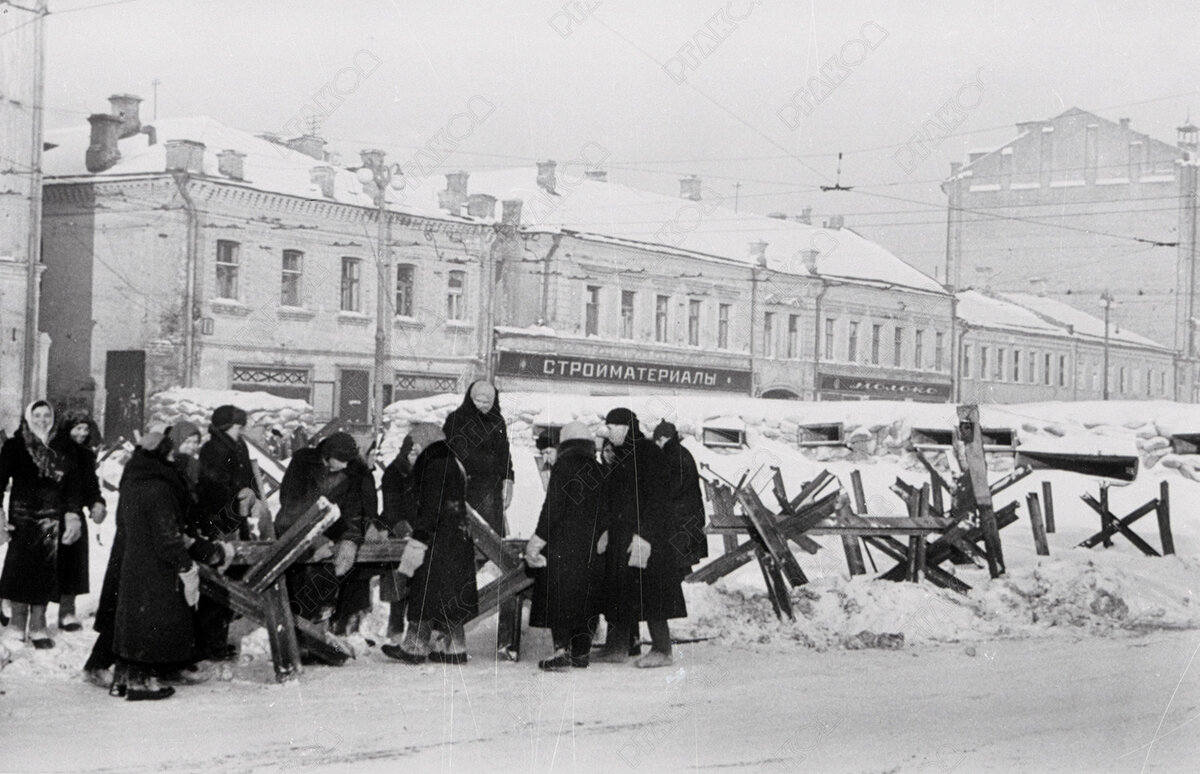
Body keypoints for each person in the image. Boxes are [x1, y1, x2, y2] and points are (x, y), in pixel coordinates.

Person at [110, 423, 228, 701]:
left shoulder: (133, 481)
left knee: (133, 620)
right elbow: (168, 537)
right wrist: (185, 566)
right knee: (149, 620)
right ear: (162, 456)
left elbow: (124, 524)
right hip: (157, 567)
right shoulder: (159, 488)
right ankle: (141, 684)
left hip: (134, 561)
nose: (174, 460)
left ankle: (123, 679)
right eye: (171, 455)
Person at [593, 408, 687, 668]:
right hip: (621, 533)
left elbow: (658, 499)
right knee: (620, 590)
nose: (609, 432)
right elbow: (616, 496)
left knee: (652, 592)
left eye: (612, 427)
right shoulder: (622, 454)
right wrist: (608, 530)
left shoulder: (647, 453)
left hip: (647, 536)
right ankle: (617, 646)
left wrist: (645, 536)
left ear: (625, 427)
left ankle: (662, 649)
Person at [382, 423, 476, 665]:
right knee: (450, 596)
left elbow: (431, 508)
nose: (414, 449)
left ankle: (414, 647)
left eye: (417, 444)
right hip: (457, 538)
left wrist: (419, 538)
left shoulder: (434, 466)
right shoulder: (454, 462)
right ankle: (455, 648)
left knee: (424, 593)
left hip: (437, 541)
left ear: (427, 443)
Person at [441, 380, 518, 657]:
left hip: (489, 493)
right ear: (469, 398)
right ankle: (451, 628)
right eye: (479, 400)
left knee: (495, 554)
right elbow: (445, 454)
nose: (484, 406)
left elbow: (505, 453)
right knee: (459, 554)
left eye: (488, 401)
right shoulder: (455, 420)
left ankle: (501, 634)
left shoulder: (498, 421)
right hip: (463, 491)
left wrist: (509, 479)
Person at [275, 432, 371, 653]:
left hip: (330, 534)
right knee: (300, 576)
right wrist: (316, 539)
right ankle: (298, 637)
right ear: (327, 455)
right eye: (341, 460)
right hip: (294, 529)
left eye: (349, 461)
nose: (345, 465)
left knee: (328, 573)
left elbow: (354, 512)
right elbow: (289, 503)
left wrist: (350, 540)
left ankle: (316, 634)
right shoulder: (302, 462)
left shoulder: (351, 470)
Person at [0, 401, 84, 650]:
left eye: (47, 415)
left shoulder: (64, 447)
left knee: (45, 569)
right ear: (28, 417)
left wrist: (72, 514)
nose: (42, 420)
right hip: (22, 517)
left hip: (51, 518)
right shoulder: (15, 446)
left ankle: (38, 625)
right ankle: (17, 623)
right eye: (37, 415)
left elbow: (73, 486)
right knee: (19, 568)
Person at [525, 422, 607, 670]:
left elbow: (553, 507)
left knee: (559, 597)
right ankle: (581, 653)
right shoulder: (599, 468)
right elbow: (607, 508)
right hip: (591, 547)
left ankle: (561, 650)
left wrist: (537, 540)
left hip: (563, 544)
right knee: (586, 598)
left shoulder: (564, 466)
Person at [194, 404, 263, 661]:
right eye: (237, 427)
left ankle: (218, 640)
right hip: (218, 522)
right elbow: (214, 488)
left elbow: (248, 478)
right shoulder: (212, 450)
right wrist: (238, 500)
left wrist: (252, 495)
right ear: (224, 427)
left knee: (232, 580)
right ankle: (208, 644)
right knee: (216, 584)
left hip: (236, 520)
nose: (241, 431)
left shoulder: (239, 446)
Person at [50, 413, 108, 632]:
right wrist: (66, 511)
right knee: (48, 566)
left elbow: (91, 486)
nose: (83, 433)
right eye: (78, 428)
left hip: (76, 516)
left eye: (86, 429)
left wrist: (97, 503)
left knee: (73, 565)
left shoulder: (86, 455)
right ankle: (33, 614)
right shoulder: (54, 450)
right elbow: (51, 487)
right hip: (52, 516)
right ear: (67, 428)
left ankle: (67, 612)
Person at [653, 421, 709, 571]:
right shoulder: (681, 452)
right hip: (687, 517)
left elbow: (672, 487)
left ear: (663, 438)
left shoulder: (672, 455)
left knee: (678, 565)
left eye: (657, 442)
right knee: (681, 563)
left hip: (680, 519)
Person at [378, 434, 418, 642]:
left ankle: (414, 635)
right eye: (412, 453)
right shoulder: (394, 472)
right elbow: (391, 507)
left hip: (420, 533)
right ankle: (395, 631)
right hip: (397, 529)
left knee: (419, 585)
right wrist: (403, 529)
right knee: (399, 582)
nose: (416, 457)